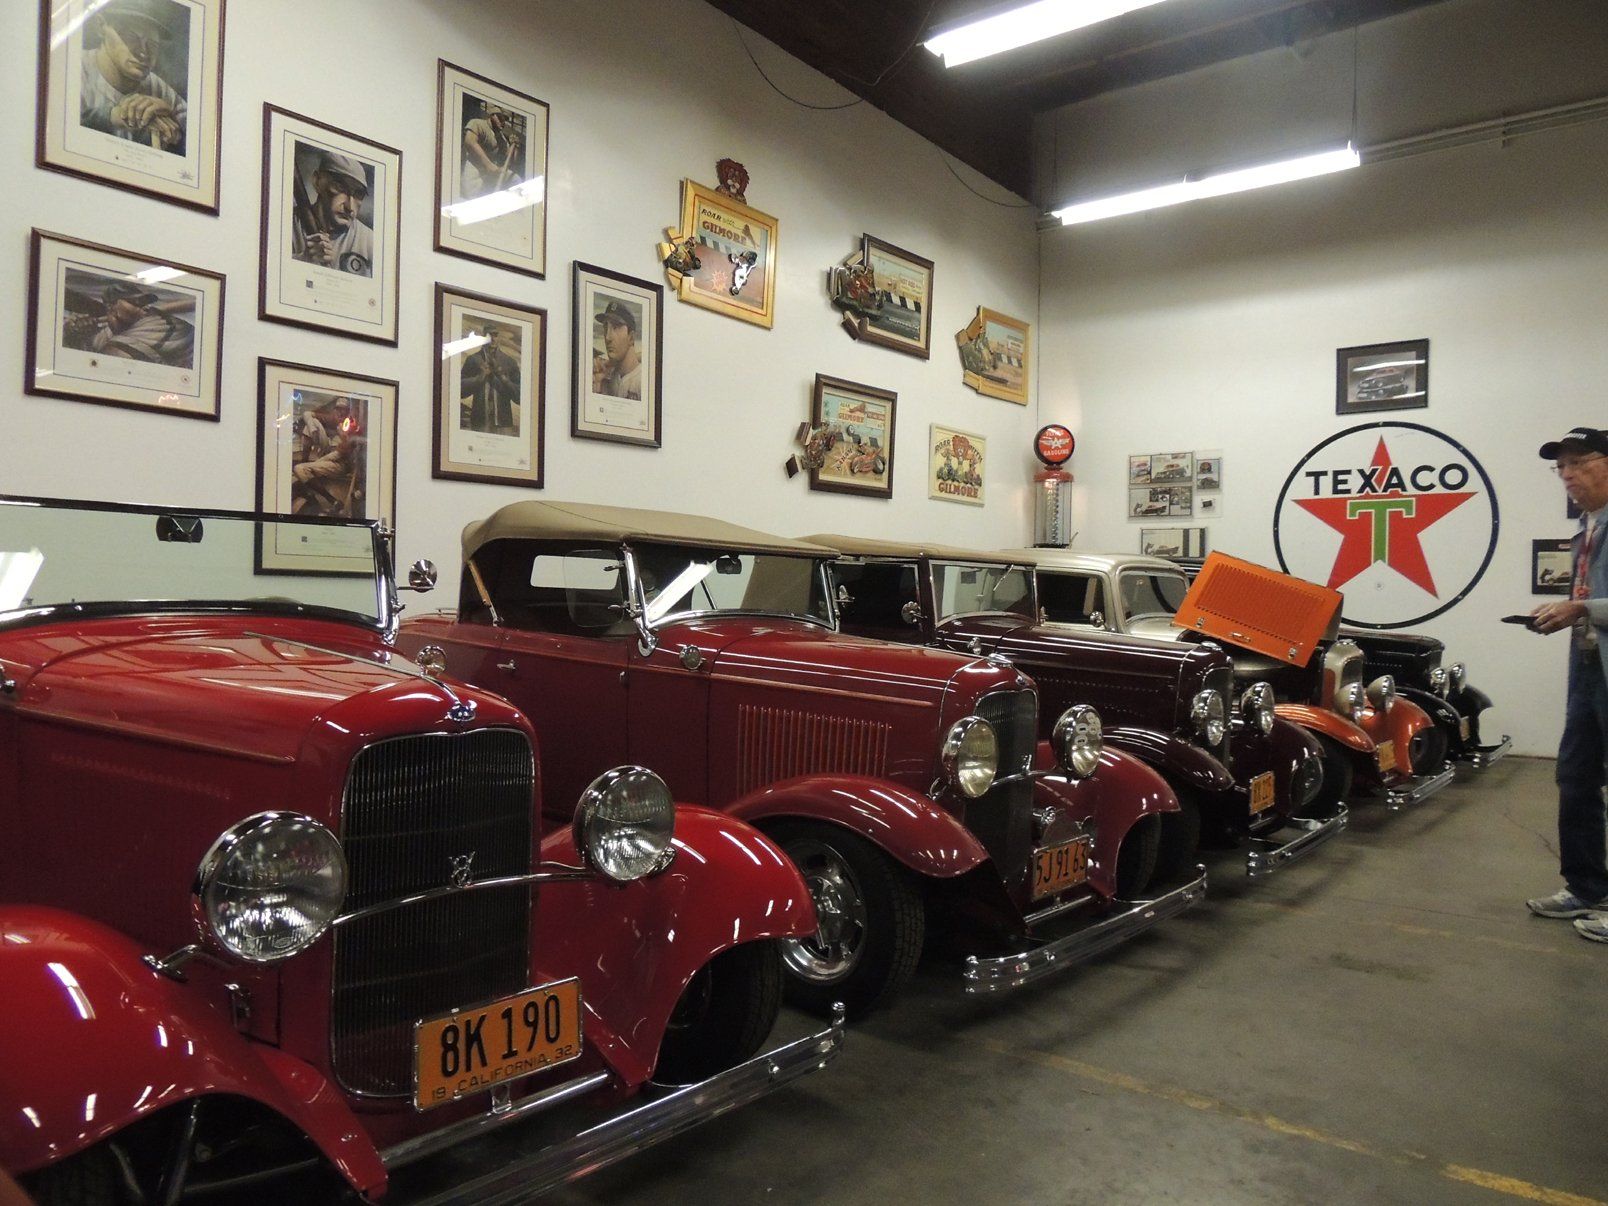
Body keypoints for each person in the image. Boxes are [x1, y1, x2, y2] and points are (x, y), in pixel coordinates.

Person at [1526, 426, 1608, 942]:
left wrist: (1583, 608)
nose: (1568, 476)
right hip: (1588, 666)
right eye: (1561, 468)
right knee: (1575, 776)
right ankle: (1587, 886)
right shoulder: (1587, 526)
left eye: (1579, 463)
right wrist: (1567, 613)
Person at [79, 0, 187, 155]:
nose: (143, 53)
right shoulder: (75, 67)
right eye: (131, 38)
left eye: (152, 44)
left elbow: (200, 142)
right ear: (101, 26)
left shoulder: (158, 88)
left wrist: (174, 124)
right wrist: (110, 116)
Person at [292, 150, 375, 277]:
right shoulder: (287, 223)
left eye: (358, 195)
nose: (350, 207)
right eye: (341, 188)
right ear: (317, 182)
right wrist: (304, 259)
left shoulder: (369, 241)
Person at [79, 281, 194, 366]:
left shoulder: (159, 324)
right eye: (136, 302)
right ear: (111, 305)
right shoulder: (101, 335)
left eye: (145, 302)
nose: (146, 307)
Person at [460, 324, 521, 434]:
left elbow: (520, 397)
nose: (492, 338)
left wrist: (503, 378)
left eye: (495, 335)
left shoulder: (509, 362)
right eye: (488, 335)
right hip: (479, 423)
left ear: (498, 337)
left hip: (504, 424)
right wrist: (479, 378)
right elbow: (460, 391)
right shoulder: (473, 360)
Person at [461, 105, 520, 197]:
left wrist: (515, 146)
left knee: (515, 179)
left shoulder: (502, 138)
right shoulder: (478, 124)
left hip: (491, 174)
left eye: (505, 119)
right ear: (492, 115)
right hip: (475, 171)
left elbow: (510, 162)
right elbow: (470, 142)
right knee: (474, 201)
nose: (503, 122)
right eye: (500, 118)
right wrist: (489, 165)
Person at [591, 301, 642, 401]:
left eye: (615, 327)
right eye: (606, 328)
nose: (608, 337)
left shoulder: (644, 380)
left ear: (631, 337)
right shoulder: (609, 379)